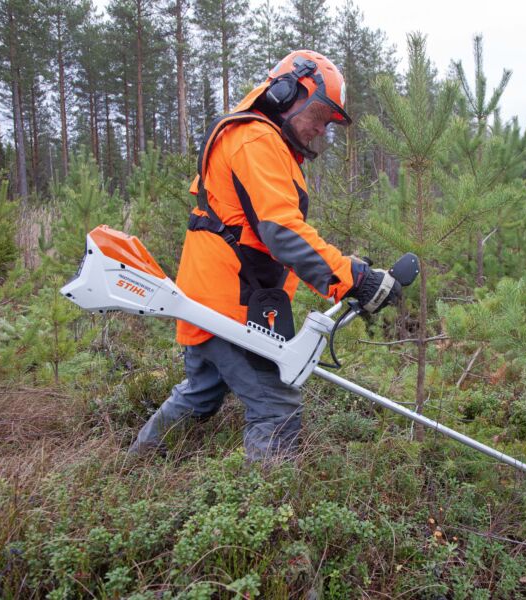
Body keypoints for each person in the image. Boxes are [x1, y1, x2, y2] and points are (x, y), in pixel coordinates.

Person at [128, 50, 401, 461]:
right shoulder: (257, 140)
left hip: (211, 297)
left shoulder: (260, 140)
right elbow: (282, 230)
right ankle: (268, 515)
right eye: (320, 117)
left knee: (199, 396)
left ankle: (133, 468)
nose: (321, 131)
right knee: (276, 407)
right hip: (229, 306)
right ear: (290, 92)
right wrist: (353, 278)